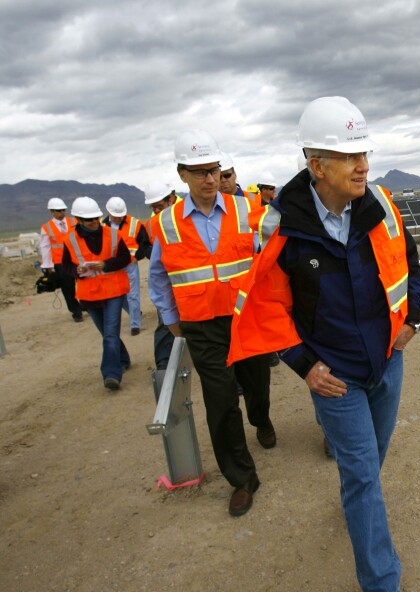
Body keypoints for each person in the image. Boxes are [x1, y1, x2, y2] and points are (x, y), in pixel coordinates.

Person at [228, 96, 420, 592]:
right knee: (361, 474)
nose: (364, 166)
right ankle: (382, 583)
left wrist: (414, 319)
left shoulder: (379, 205)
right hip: (334, 377)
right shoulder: (283, 226)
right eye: (350, 157)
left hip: (387, 362)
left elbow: (410, 262)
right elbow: (268, 304)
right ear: (317, 166)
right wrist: (304, 365)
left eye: (365, 154)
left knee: (371, 461)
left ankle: (359, 509)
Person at [148, 129, 274, 517]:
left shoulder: (246, 209)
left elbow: (275, 247)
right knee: (220, 401)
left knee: (257, 381)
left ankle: (261, 417)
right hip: (201, 326)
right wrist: (170, 319)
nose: (209, 180)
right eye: (199, 172)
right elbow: (157, 275)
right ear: (181, 175)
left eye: (214, 171)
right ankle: (242, 478)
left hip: (245, 316)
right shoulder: (166, 223)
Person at [62, 197, 132, 390]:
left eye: (96, 217)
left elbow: (125, 258)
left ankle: (111, 374)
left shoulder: (113, 234)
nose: (94, 222)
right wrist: (76, 272)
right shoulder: (69, 240)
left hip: (113, 291)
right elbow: (66, 265)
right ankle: (123, 358)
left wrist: (106, 265)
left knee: (110, 333)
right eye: (89, 219)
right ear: (78, 220)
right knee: (107, 334)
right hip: (89, 295)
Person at [140, 182, 178, 370]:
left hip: (188, 277)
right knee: (165, 319)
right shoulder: (152, 223)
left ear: (170, 200)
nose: (155, 210)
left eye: (159, 206)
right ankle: (163, 363)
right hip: (166, 276)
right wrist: (153, 252)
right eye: (152, 207)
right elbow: (143, 245)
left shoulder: (186, 214)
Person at [104, 196, 148, 336]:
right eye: (115, 216)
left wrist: (137, 257)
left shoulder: (135, 223)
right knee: (118, 294)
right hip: (112, 266)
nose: (118, 218)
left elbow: (144, 242)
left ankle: (135, 324)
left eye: (121, 216)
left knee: (133, 295)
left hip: (130, 264)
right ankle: (134, 311)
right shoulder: (101, 226)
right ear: (108, 212)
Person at [39, 197, 83, 322]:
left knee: (84, 282)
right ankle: (76, 311)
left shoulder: (74, 222)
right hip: (60, 263)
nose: (62, 212)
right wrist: (47, 265)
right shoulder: (46, 227)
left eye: (63, 210)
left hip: (78, 259)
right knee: (68, 288)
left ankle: (85, 304)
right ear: (52, 212)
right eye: (58, 211)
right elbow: (45, 247)